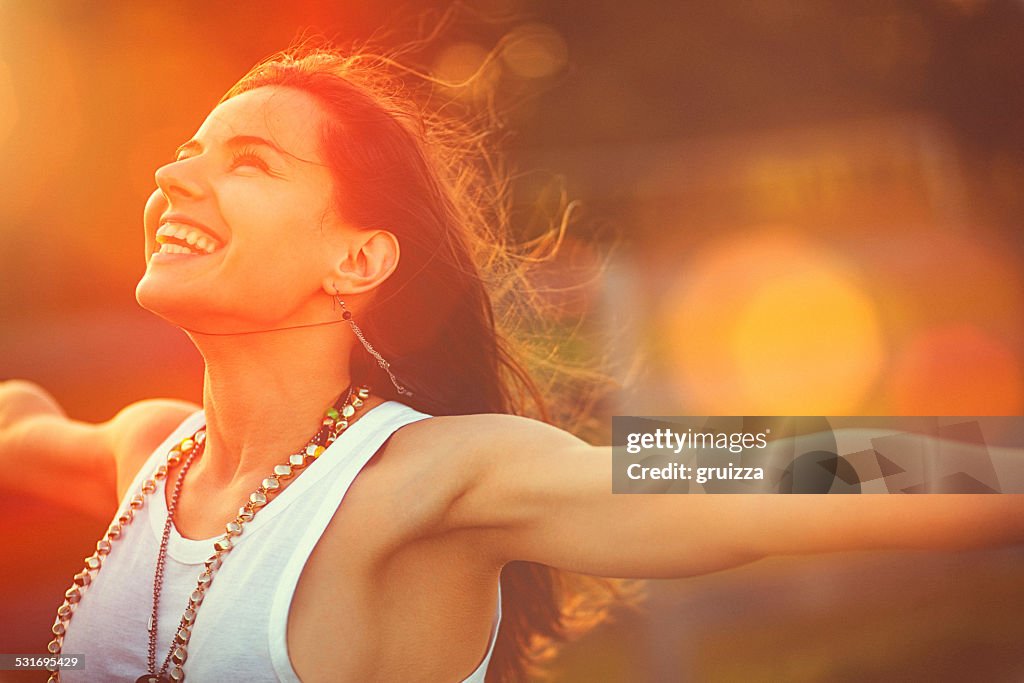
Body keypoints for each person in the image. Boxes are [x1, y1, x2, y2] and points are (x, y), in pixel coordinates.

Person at [2, 45, 1022, 683]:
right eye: (187, 148)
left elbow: (758, 473)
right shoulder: (149, 452)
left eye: (248, 161)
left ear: (355, 257)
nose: (171, 174)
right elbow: (16, 421)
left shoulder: (437, 476)